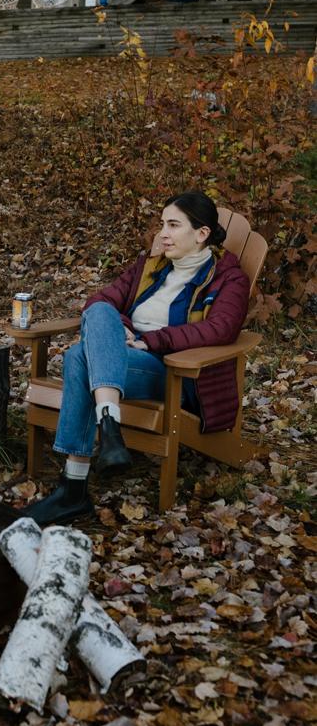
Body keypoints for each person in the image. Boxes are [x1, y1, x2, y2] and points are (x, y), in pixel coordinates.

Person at [26, 191, 250, 526]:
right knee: (99, 315)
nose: (163, 233)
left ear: (202, 233)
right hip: (120, 356)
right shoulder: (151, 267)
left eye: (173, 225)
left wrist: (151, 340)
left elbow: (220, 329)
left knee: (77, 358)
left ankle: (74, 487)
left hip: (171, 371)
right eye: (162, 224)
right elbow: (100, 301)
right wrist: (123, 334)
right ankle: (110, 427)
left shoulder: (228, 277)